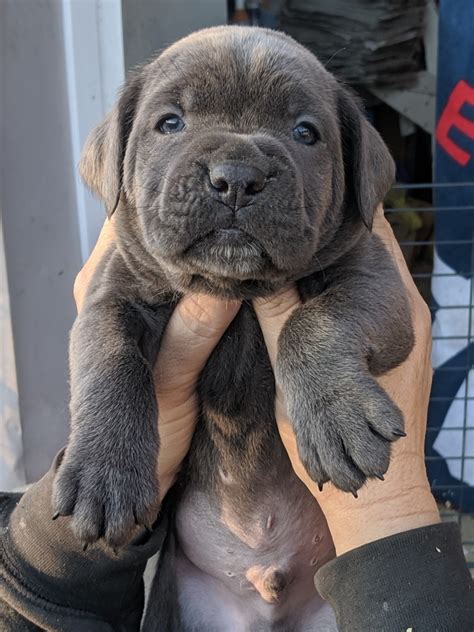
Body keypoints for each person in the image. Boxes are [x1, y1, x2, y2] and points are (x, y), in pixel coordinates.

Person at [1, 209, 473, 631]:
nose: (233, 175)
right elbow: (108, 317)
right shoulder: (141, 236)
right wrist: (109, 451)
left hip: (339, 571)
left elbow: (380, 301)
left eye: (303, 129)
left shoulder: (345, 226)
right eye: (171, 123)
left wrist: (388, 510)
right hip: (203, 572)